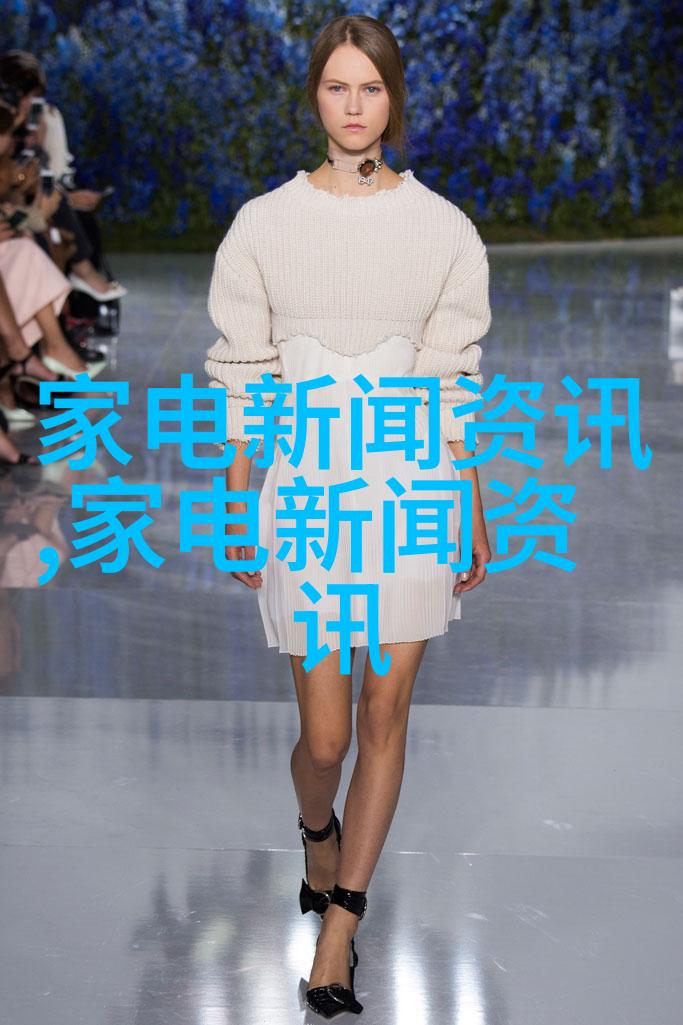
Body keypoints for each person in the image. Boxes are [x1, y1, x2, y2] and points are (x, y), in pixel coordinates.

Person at [205, 15, 492, 1019]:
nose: (354, 105)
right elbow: (245, 371)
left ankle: (340, 927)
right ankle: (315, 830)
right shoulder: (263, 225)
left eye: (370, 87)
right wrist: (236, 499)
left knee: (384, 710)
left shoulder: (443, 230)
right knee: (324, 738)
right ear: (314, 97)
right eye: (336, 86)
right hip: (306, 491)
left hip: (413, 487)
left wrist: (471, 501)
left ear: (393, 98)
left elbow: (453, 379)